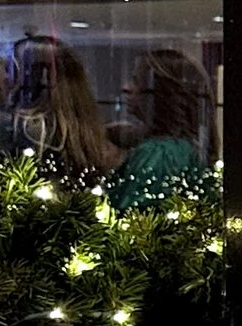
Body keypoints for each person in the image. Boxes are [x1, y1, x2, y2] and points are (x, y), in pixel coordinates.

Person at [107, 48, 215, 206]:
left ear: (159, 92)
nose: (126, 87)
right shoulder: (184, 147)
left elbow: (134, 215)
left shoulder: (158, 153)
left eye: (136, 81)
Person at [12, 36, 118, 178]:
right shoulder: (86, 127)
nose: (8, 77)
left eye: (17, 69)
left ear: (42, 75)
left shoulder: (26, 128)